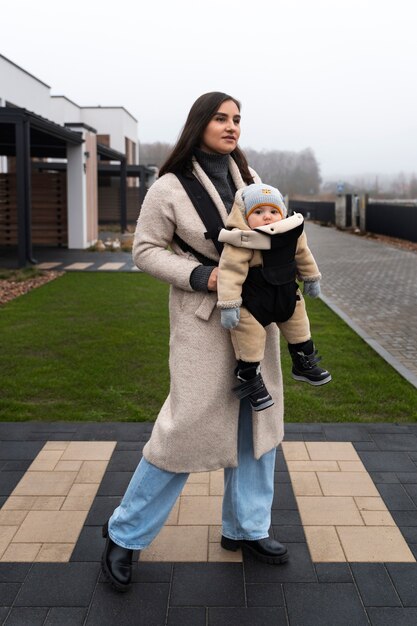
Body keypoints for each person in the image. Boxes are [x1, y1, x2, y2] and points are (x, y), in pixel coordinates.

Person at [101, 92, 289, 593]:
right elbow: (144, 251)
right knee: (182, 429)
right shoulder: (169, 187)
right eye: (222, 118)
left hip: (256, 318)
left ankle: (247, 529)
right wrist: (202, 275)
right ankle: (124, 534)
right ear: (199, 124)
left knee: (257, 423)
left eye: (237, 119)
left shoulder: (250, 181)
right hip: (202, 322)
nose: (232, 127)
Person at [217, 183, 331, 412]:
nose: (267, 218)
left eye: (273, 212)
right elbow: (229, 272)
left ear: (283, 213)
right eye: (258, 213)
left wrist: (311, 277)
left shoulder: (292, 233)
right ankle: (249, 376)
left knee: (298, 323)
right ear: (245, 216)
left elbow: (303, 255)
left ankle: (303, 361)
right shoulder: (241, 240)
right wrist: (229, 304)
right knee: (250, 335)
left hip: (286, 293)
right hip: (253, 299)